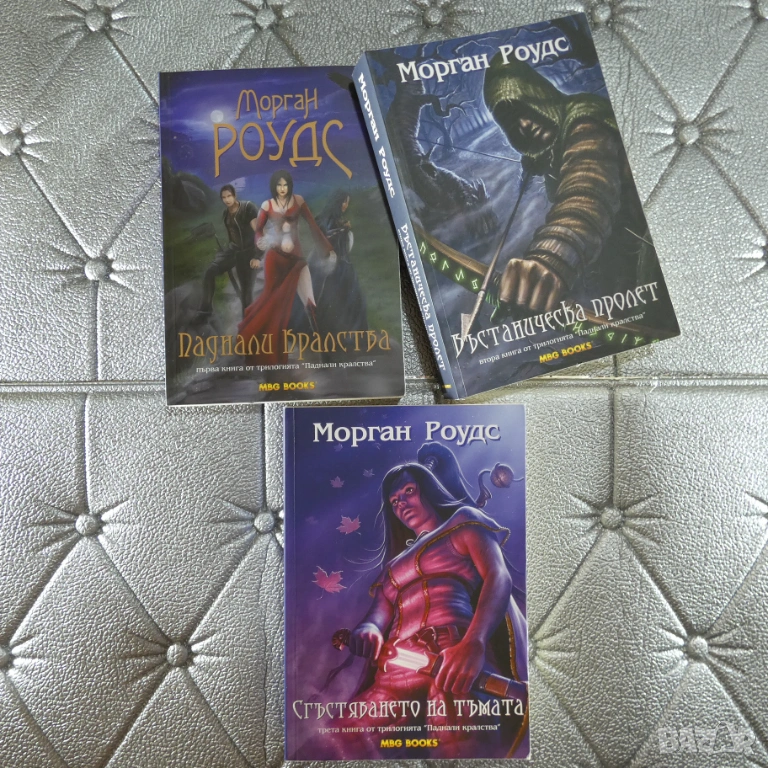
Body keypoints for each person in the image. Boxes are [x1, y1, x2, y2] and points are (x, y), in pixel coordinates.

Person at [340, 463, 528, 758]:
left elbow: (498, 576)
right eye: (394, 501)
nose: (401, 504)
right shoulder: (394, 565)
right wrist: (369, 629)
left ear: (428, 489)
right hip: (396, 668)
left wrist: (474, 642)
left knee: (461, 747)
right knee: (339, 741)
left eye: (409, 491)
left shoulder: (463, 521)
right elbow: (378, 613)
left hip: (453, 656)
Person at [483, 53, 664, 316]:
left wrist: (550, 259)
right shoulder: (554, 147)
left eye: (525, 109)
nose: (523, 125)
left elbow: (587, 192)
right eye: (511, 122)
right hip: (616, 257)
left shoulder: (585, 121)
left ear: (540, 96)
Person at [238, 170, 336, 364]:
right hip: (275, 261)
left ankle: (324, 354)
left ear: (290, 185)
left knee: (310, 303)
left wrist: (327, 249)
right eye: (279, 185)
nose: (282, 189)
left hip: (297, 259)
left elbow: (313, 226)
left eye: (285, 185)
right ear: (274, 186)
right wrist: (260, 242)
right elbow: (258, 231)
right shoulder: (267, 205)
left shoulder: (298, 201)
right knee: (272, 303)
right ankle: (265, 350)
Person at [311, 189, 368, 334]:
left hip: (341, 264)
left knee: (353, 298)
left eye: (347, 202)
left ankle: (352, 333)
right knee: (333, 297)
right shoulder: (324, 220)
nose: (346, 205)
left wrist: (345, 229)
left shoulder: (337, 220)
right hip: (330, 265)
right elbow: (324, 238)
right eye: (344, 202)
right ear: (338, 202)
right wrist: (343, 230)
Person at [199, 184, 260, 318]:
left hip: (248, 252)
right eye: (224, 197)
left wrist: (257, 256)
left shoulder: (247, 208)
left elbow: (259, 233)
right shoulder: (226, 214)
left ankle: (248, 324)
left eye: (229, 196)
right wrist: (224, 254)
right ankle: (205, 311)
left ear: (234, 195)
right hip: (233, 251)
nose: (227, 200)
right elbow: (232, 236)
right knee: (209, 272)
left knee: (246, 293)